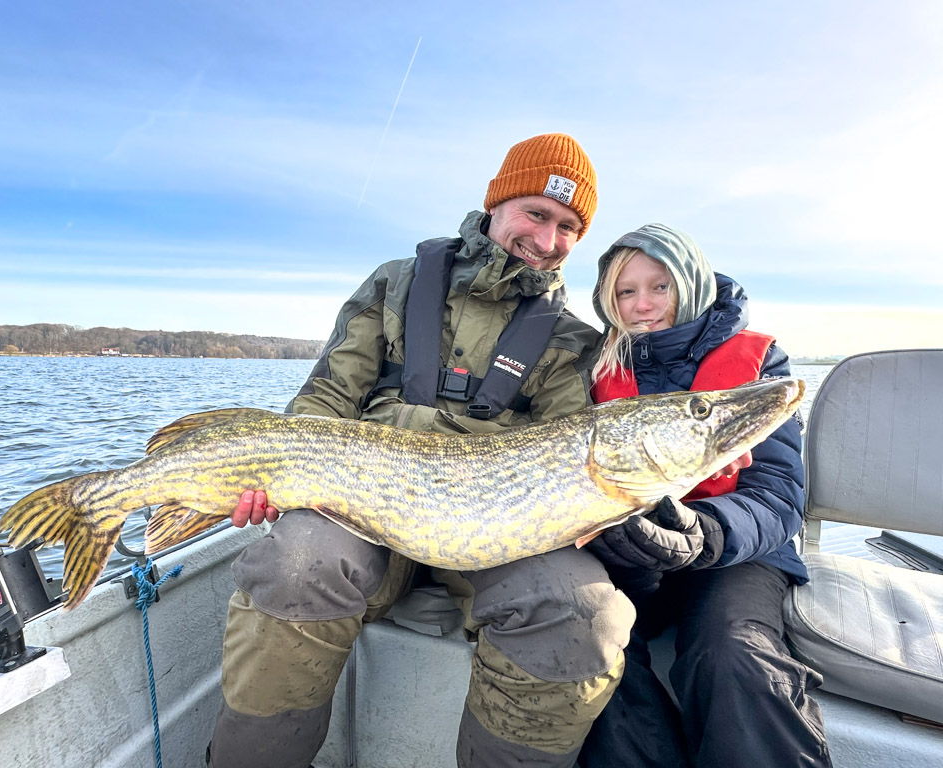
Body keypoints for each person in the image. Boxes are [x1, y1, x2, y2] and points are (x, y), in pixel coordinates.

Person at [207, 133, 637, 768]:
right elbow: (327, 396)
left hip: (498, 526)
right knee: (295, 562)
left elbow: (570, 441)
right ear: (497, 203)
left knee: (584, 615)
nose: (548, 241)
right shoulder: (396, 284)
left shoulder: (572, 339)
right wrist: (276, 477)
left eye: (569, 226)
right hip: (361, 506)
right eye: (536, 214)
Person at [577, 223, 832, 768]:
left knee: (736, 656)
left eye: (660, 287)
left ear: (690, 284)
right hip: (632, 556)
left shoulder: (758, 363)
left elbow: (780, 495)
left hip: (735, 553)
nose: (642, 305)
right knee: (589, 657)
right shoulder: (595, 367)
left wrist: (708, 531)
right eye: (626, 291)